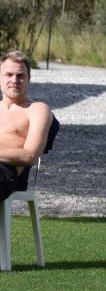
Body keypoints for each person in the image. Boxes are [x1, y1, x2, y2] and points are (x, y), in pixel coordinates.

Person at [0, 50, 54, 204]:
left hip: (7, 173)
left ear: (29, 79)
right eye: (9, 74)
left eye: (20, 76)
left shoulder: (37, 110)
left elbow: (29, 156)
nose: (14, 80)